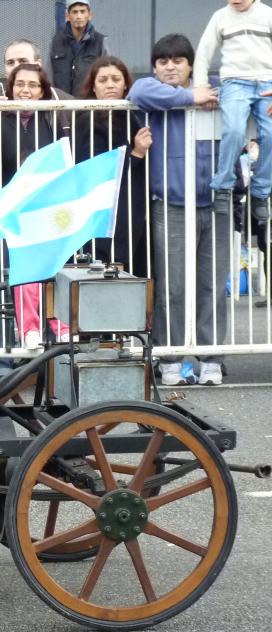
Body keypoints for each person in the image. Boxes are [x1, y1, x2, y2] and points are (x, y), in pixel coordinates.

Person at [128, 33, 228, 386]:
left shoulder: (214, 88)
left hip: (216, 203)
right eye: (163, 61)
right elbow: (137, 92)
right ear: (155, 66)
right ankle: (169, 356)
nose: (170, 66)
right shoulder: (153, 93)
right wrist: (190, 97)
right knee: (171, 286)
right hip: (169, 204)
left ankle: (211, 358)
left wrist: (204, 93)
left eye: (178, 60)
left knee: (212, 285)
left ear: (191, 64)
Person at [0, 63, 69, 350]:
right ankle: (11, 348)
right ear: (10, 87)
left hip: (45, 208)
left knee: (48, 270)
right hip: (8, 209)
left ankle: (56, 334)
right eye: (20, 84)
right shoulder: (0, 117)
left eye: (32, 85)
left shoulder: (51, 119)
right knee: (9, 275)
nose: (25, 90)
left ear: (42, 91)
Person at [74, 56, 152, 278]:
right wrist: (135, 154)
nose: (110, 84)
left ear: (126, 84)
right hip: (96, 213)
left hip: (131, 210)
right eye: (103, 80)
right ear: (93, 86)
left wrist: (136, 156)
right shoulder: (83, 120)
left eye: (116, 79)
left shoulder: (134, 117)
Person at [194, 0, 272, 223]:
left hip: (268, 81)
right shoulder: (220, 16)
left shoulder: (268, 14)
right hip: (235, 82)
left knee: (271, 134)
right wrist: (200, 84)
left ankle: (261, 193)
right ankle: (222, 186)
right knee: (234, 131)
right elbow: (204, 52)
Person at [47, 1, 110, 97]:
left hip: (90, 107)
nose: (79, 16)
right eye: (75, 12)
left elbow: (108, 75)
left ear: (90, 15)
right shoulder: (55, 42)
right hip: (61, 106)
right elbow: (48, 78)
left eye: (82, 11)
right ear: (67, 16)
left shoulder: (100, 42)